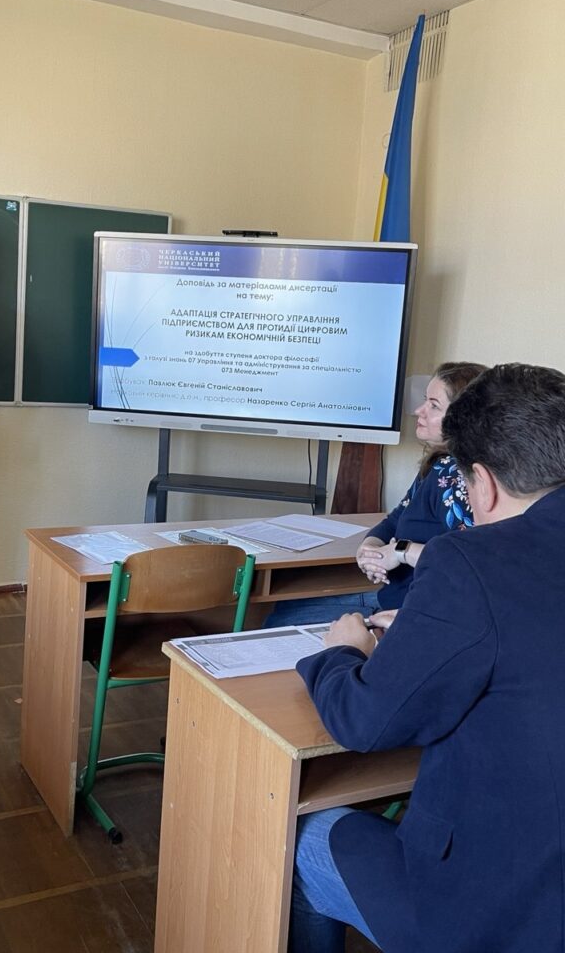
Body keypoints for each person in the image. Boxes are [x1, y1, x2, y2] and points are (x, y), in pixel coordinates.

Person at [290, 363, 565, 953]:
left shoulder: (472, 561)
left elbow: (366, 721)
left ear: (482, 484)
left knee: (301, 838)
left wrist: (342, 652)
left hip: (509, 908)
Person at [263, 361, 486, 629]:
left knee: (278, 621)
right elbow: (395, 519)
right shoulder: (438, 465)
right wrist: (369, 548)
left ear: (464, 418)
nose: (419, 410)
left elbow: (470, 563)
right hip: (394, 596)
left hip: (411, 613)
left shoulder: (453, 476)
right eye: (425, 400)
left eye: (434, 405)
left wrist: (401, 551)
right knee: (285, 609)